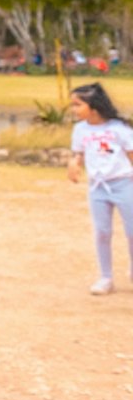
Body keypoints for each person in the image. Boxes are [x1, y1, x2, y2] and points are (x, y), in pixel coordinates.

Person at [67, 82, 133, 295]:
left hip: (124, 184)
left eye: (77, 105)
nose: (73, 110)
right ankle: (106, 277)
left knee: (132, 231)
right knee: (102, 232)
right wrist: (75, 163)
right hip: (98, 188)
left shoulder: (118, 129)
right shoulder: (80, 130)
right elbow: (79, 153)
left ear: (93, 106)